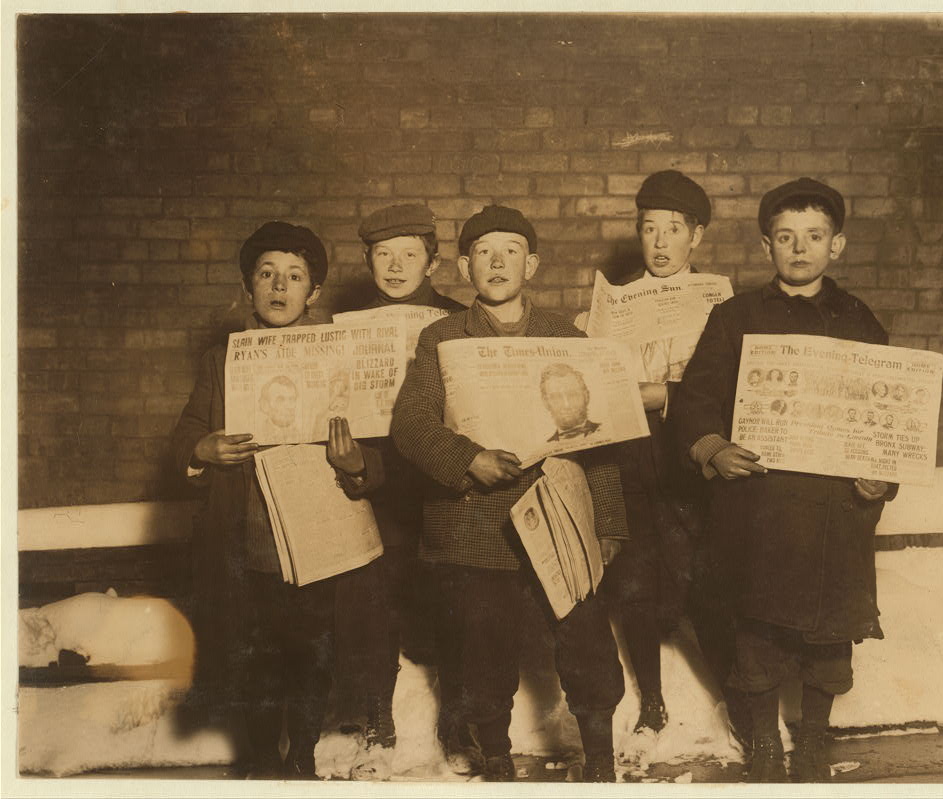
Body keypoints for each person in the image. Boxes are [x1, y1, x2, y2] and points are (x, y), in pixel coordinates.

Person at [390, 205, 629, 783]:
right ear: (466, 265)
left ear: (533, 264)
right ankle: (495, 756)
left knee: (586, 639)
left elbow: (598, 436)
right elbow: (411, 425)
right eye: (484, 252)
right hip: (476, 523)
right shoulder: (442, 338)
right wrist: (467, 459)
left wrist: (609, 524)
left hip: (560, 515)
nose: (498, 263)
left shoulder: (565, 337)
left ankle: (600, 758)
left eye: (512, 250)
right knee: (482, 647)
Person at [674, 178, 899, 783]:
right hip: (759, 507)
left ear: (838, 246)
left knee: (828, 635)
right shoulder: (735, 317)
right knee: (758, 631)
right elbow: (694, 401)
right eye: (785, 237)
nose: (799, 249)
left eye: (814, 237)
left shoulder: (858, 320)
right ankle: (765, 740)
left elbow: (888, 416)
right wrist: (713, 448)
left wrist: (879, 475)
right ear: (766, 246)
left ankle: (817, 736)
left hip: (833, 510)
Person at [171, 221, 384, 779]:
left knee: (311, 650)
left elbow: (381, 442)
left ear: (313, 293)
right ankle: (264, 759)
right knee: (255, 653)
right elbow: (188, 428)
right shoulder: (221, 359)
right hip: (249, 533)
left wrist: (357, 463)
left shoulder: (340, 354)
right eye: (266, 274)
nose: (279, 286)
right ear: (248, 287)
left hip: (318, 532)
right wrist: (203, 447)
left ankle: (303, 758)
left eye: (294, 277)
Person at [583, 170, 747, 747]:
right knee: (634, 579)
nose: (658, 242)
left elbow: (734, 391)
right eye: (648, 228)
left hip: (690, 461)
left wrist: (668, 395)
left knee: (704, 579)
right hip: (630, 457)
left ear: (695, 237)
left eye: (672, 230)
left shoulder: (723, 304)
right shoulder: (616, 303)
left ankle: (737, 700)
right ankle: (651, 701)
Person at [332, 203, 469, 779]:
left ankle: (460, 724)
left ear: (432, 262)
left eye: (409, 254)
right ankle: (375, 721)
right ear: (367, 261)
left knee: (456, 602)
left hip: (445, 483)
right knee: (375, 599)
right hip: (380, 484)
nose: (395, 266)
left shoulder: (461, 322)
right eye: (383, 255)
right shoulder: (346, 328)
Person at [540, 363, 601, 441]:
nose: (566, 405)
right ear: (546, 403)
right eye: (556, 397)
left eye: (572, 395)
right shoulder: (544, 448)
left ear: (586, 396)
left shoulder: (605, 430)